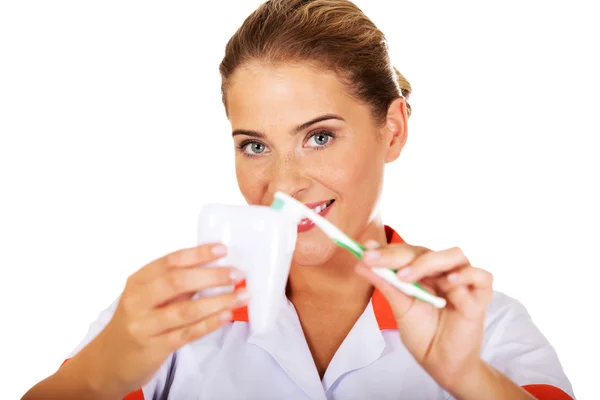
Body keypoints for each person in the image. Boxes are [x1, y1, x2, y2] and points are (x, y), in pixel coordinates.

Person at [22, 0, 574, 399]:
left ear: (394, 130)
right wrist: (99, 375)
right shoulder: (169, 320)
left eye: (319, 137)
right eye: (255, 145)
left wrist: (469, 379)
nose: (285, 185)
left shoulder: (489, 330)